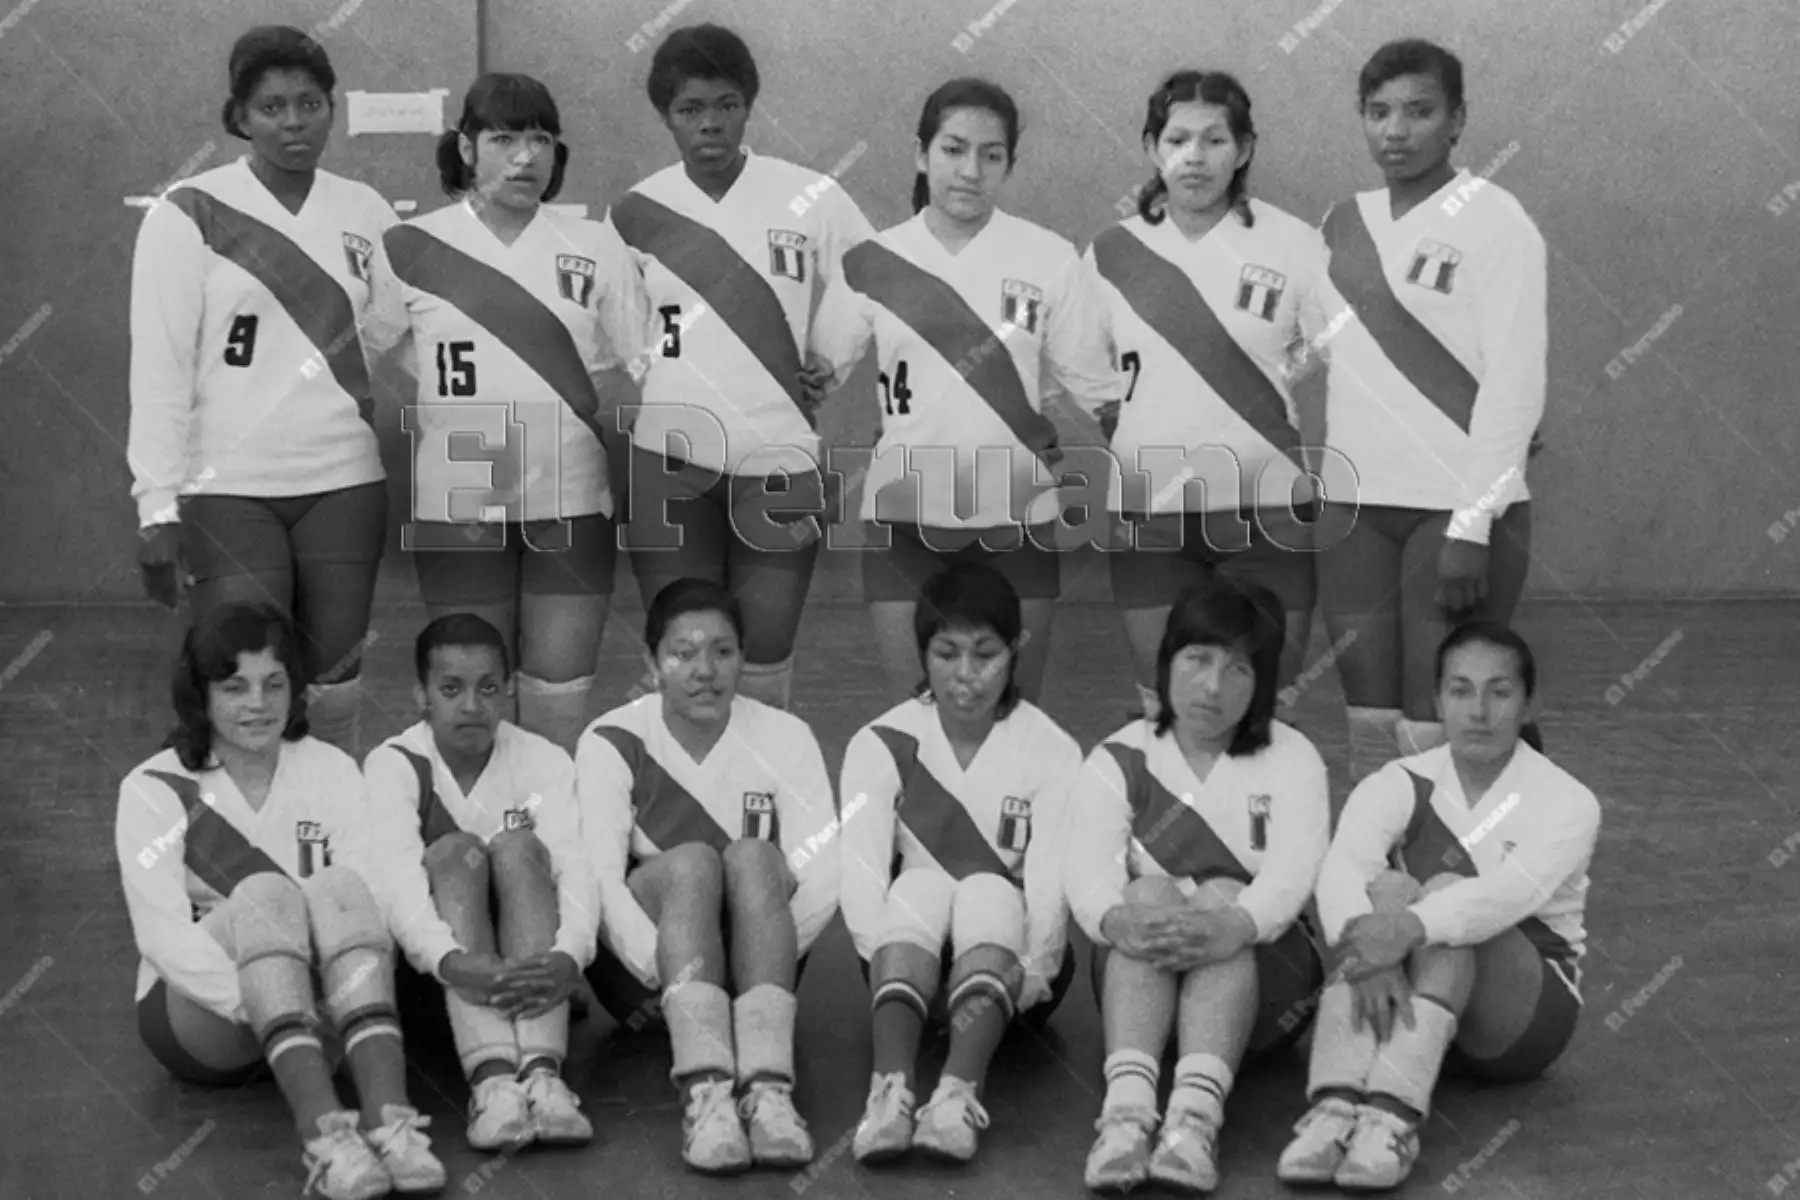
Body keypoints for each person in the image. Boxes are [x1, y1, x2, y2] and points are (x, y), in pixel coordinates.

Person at [128, 25, 399, 756]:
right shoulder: (188, 211)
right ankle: (238, 837)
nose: (293, 122)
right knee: (248, 676)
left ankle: (332, 834)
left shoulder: (366, 210)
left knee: (335, 685)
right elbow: (159, 367)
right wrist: (156, 503)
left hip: (345, 480)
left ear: (330, 109)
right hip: (230, 485)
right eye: (272, 106)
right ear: (239, 116)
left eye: (309, 104)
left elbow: (396, 336)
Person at [808, 78, 1125, 703]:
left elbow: (1100, 392)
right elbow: (814, 374)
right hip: (904, 523)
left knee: (1013, 716)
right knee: (916, 717)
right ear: (921, 154)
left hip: (1019, 522)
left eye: (991, 154)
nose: (970, 170)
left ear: (1009, 163)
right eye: (953, 149)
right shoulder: (873, 259)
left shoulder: (1048, 258)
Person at [115, 601, 445, 1199]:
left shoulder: (332, 769)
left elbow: (367, 897)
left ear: (295, 691)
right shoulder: (151, 788)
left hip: (323, 1007)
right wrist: (272, 1005)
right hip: (205, 1016)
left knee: (342, 888)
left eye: (273, 684)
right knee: (266, 894)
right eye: (234, 686)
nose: (257, 703)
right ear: (201, 694)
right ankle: (325, 1141)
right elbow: (161, 937)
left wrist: (321, 999)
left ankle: (389, 1122)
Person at [372, 73, 646, 752]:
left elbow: (638, 362)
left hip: (573, 501)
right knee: (471, 695)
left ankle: (557, 848)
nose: (526, 157)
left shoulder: (596, 244)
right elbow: (386, 350)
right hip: (459, 507)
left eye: (541, 139)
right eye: (504, 139)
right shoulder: (408, 247)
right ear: (466, 148)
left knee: (558, 703)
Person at [608, 23, 875, 711]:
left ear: (748, 105)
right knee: (684, 650)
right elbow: (618, 321)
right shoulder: (636, 211)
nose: (710, 123)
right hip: (669, 461)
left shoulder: (809, 195)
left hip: (781, 460)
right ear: (666, 115)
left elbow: (869, 273)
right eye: (690, 109)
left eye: (725, 104)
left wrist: (830, 355)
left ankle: (762, 812)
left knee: (762, 658)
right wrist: (662, 376)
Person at [1277, 622, 1598, 1191]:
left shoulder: (1568, 800)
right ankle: (1333, 1107)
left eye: (1499, 692)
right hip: (1423, 993)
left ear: (1530, 704)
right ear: (1437, 701)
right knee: (1384, 891)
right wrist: (1372, 945)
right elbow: (1342, 868)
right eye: (1460, 690)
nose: (1478, 710)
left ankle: (1393, 1119)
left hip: (1521, 1019)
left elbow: (1503, 898)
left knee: (1442, 896)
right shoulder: (1397, 780)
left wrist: (1401, 930)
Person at [1312, 39, 1549, 782]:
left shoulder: (1497, 220)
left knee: (1435, 721)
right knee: (1370, 727)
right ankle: (1370, 884)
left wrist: (1472, 523)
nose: (1396, 130)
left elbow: (1516, 380)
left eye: (1419, 111)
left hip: (1452, 514)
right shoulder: (1339, 223)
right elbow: (1325, 352)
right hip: (1353, 507)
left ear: (1457, 120)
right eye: (1378, 112)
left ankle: (1456, 880)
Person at [1063, 578, 1330, 1193]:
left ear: (1263, 683)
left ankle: (1193, 1124)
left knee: (1224, 897)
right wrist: (1117, 921)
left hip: (1265, 992)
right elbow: (1086, 875)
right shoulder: (1119, 755)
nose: (1212, 686)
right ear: (1166, 662)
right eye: (1198, 660)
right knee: (1143, 897)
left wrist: (1229, 926)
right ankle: (1126, 1118)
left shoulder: (1294, 758)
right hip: (1143, 991)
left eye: (1238, 669)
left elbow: (1292, 877)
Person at [574, 578, 840, 1174]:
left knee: (753, 857)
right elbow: (598, 878)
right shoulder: (612, 739)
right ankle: (707, 1093)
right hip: (645, 976)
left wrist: (757, 955)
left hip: (759, 968)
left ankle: (770, 1090)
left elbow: (823, 871)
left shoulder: (785, 736)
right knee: (693, 862)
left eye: (722, 651)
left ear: (744, 657)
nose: (704, 670)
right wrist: (671, 965)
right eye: (682, 652)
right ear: (651, 662)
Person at [1088, 69, 1330, 721]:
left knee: (1262, 711)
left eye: (1215, 139)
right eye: (1177, 138)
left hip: (1270, 511)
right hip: (1151, 514)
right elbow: (1082, 369)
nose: (1194, 156)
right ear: (1151, 147)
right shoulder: (1110, 252)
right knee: (1166, 711)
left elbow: (1341, 345)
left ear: (1244, 150)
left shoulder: (1295, 244)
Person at [836, 562, 1081, 1165]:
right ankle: (888, 1092)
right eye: (946, 653)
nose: (965, 674)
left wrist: (1033, 976)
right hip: (906, 960)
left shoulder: (1052, 749)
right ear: (923, 655)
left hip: (1011, 970)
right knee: (917, 883)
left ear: (1014, 654)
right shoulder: (881, 742)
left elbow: (1050, 894)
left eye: (985, 653)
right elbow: (862, 881)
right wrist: (888, 968)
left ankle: (958, 1092)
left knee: (987, 891)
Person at [360, 613, 599, 1154]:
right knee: (455, 853)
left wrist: (570, 954)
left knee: (520, 847)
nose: (472, 705)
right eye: (451, 689)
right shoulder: (393, 764)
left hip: (533, 969)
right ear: (421, 693)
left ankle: (543, 1074)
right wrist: (447, 959)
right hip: (437, 978)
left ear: (509, 692)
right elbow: (394, 883)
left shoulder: (544, 760)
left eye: (488, 688)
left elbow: (578, 870)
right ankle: (491, 1081)